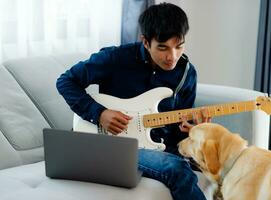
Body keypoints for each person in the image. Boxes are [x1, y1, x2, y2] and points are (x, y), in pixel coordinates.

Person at [57, 3, 209, 200]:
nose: (172, 57)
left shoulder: (186, 73)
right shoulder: (115, 58)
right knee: (177, 169)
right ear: (145, 42)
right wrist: (99, 113)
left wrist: (194, 129)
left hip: (160, 145)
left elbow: (180, 126)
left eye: (178, 46)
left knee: (220, 161)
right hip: (116, 144)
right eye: (163, 48)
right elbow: (65, 81)